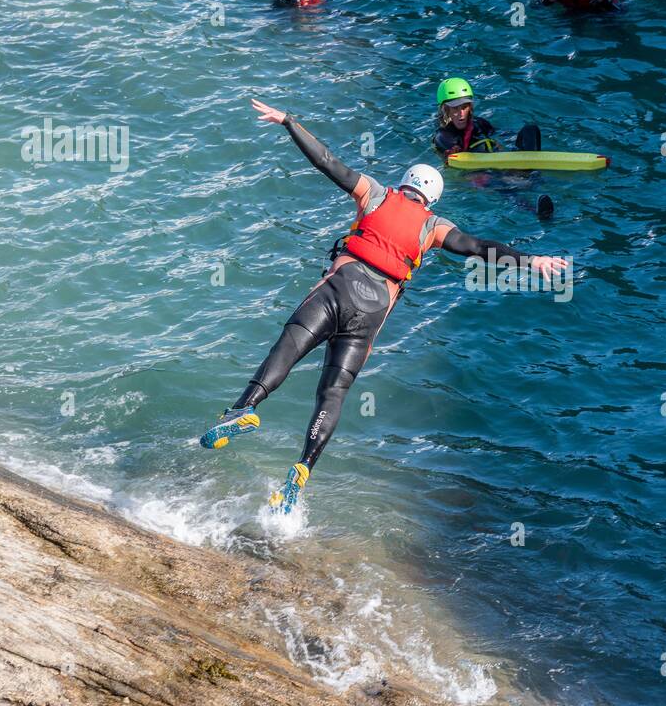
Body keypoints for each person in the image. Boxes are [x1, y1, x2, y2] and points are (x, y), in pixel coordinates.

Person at [200, 98, 569, 512]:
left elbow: (328, 162)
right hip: (370, 317)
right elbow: (480, 247)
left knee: (288, 346)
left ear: (405, 183)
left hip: (338, 289)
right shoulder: (434, 226)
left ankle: (245, 409)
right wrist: (532, 261)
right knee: (333, 393)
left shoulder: (375, 195)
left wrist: (288, 121)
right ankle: (303, 468)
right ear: (433, 199)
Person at [432, 77, 554, 219]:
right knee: (498, 184)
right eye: (455, 108)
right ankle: (534, 210)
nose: (461, 113)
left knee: (530, 129)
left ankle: (531, 173)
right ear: (445, 109)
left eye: (464, 107)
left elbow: (503, 134)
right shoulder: (443, 136)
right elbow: (452, 157)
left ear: (470, 107)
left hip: (499, 160)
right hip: (478, 171)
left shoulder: (479, 123)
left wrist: (512, 144)